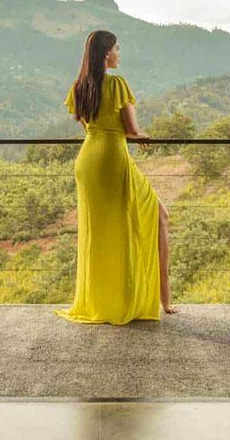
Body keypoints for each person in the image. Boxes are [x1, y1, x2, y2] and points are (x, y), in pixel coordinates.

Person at [54, 29, 177, 325]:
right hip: (113, 158)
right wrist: (139, 134)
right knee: (159, 215)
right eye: (117, 48)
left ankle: (105, 300)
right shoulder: (118, 83)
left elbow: (89, 128)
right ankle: (163, 300)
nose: (119, 53)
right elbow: (131, 128)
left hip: (88, 161)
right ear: (106, 53)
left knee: (99, 232)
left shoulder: (78, 87)